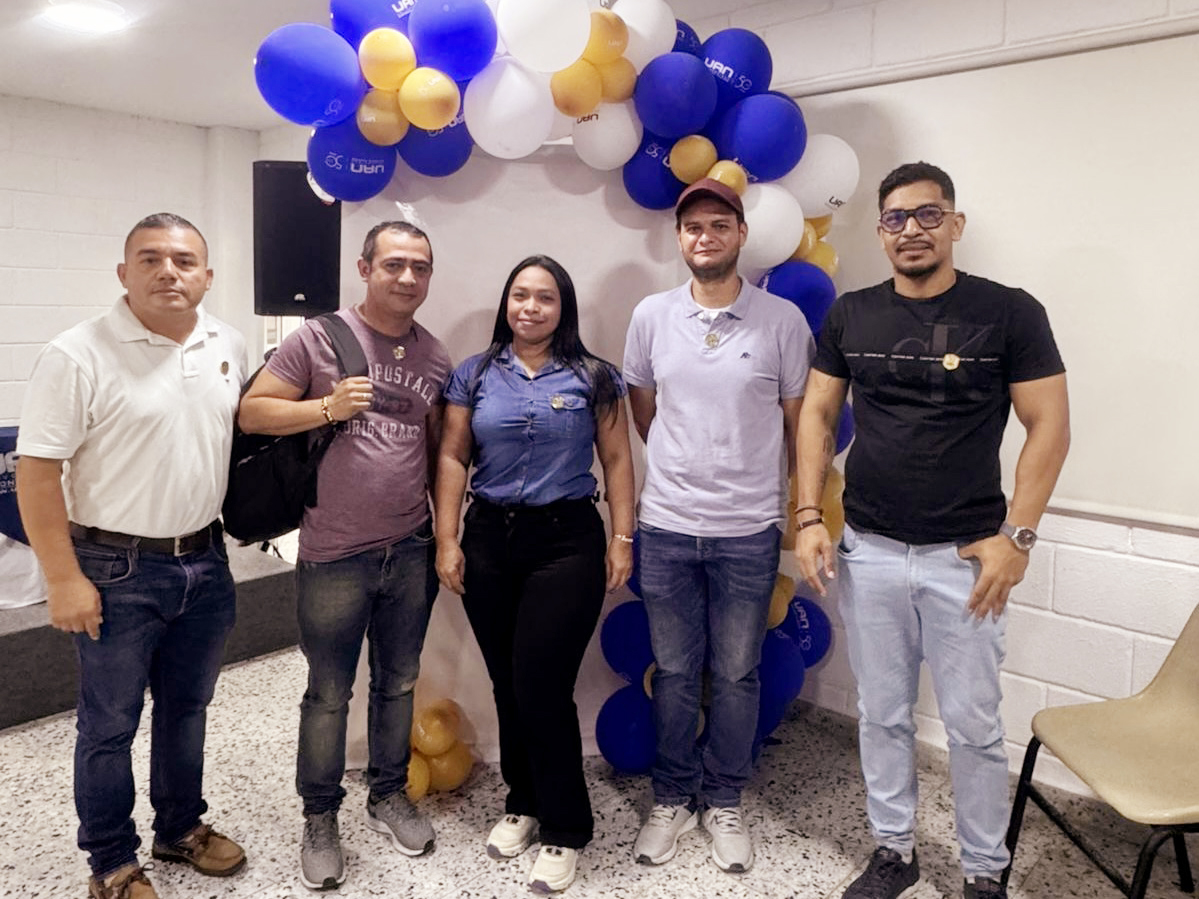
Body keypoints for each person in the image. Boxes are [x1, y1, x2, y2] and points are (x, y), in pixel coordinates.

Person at [795, 162, 1071, 899]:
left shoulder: (1009, 312)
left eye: (927, 214)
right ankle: (894, 851)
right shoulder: (851, 314)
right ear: (881, 230)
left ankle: (983, 870)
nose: (911, 229)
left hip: (966, 559)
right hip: (870, 551)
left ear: (954, 224)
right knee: (881, 715)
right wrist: (808, 515)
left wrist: (1018, 538)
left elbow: (1049, 425)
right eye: (896, 217)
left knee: (973, 727)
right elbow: (816, 414)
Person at [15, 213, 248, 899]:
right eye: (150, 259)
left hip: (205, 562)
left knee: (187, 708)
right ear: (124, 273)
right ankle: (112, 862)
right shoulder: (76, 354)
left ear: (207, 275)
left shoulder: (228, 342)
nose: (168, 271)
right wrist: (62, 577)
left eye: (184, 260)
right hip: (114, 570)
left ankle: (179, 827)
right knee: (109, 725)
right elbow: (37, 472)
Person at [238, 220, 451, 892]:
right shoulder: (318, 338)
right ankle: (320, 816)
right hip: (334, 554)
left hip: (409, 549)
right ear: (364, 268)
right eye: (394, 264)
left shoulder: (434, 355)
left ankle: (388, 794)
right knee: (329, 693)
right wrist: (327, 407)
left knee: (399, 682)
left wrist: (443, 535)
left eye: (420, 267)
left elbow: (436, 450)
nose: (408, 277)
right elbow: (252, 413)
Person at [623, 179, 816, 874]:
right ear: (680, 239)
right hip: (667, 525)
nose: (704, 236)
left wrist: (796, 506)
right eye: (693, 227)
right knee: (675, 672)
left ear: (740, 234)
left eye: (718, 224)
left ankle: (724, 799)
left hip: (748, 529)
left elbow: (800, 426)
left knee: (736, 672)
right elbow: (645, 412)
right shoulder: (650, 316)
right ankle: (673, 796)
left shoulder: (782, 322)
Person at [434, 255, 635, 894]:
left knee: (542, 686)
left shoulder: (594, 377)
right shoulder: (473, 374)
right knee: (507, 682)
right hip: (489, 539)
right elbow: (452, 456)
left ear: (562, 307)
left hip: (566, 541)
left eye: (545, 297)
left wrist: (622, 538)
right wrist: (447, 538)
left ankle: (566, 828)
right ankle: (522, 800)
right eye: (520, 295)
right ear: (506, 303)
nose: (530, 307)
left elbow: (618, 460)